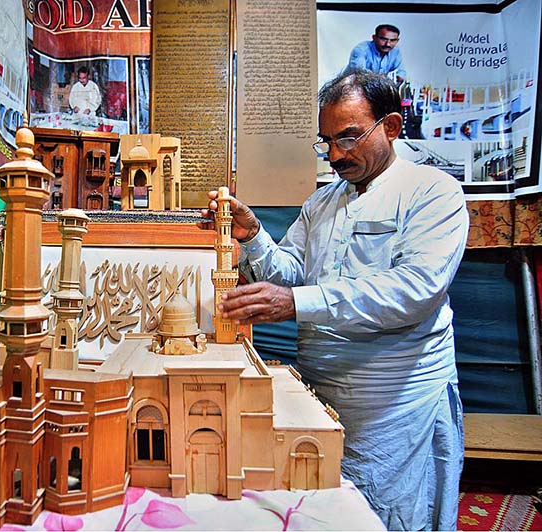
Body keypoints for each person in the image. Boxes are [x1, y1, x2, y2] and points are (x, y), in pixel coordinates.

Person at [198, 68, 468, 531]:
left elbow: (415, 290)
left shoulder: (432, 194)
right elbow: (292, 273)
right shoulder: (321, 203)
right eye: (325, 141)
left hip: (394, 405)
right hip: (318, 398)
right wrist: (255, 236)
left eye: (348, 137)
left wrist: (297, 303)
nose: (336, 154)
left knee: (392, 516)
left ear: (391, 127)